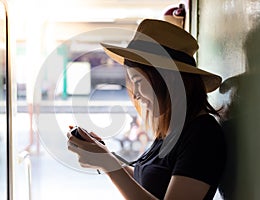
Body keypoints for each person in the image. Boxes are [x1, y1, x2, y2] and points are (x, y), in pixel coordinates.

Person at [67, 19, 226, 200]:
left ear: (167, 80)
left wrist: (108, 163)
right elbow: (149, 181)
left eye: (138, 82)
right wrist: (105, 155)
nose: (136, 95)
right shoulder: (175, 128)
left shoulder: (203, 136)